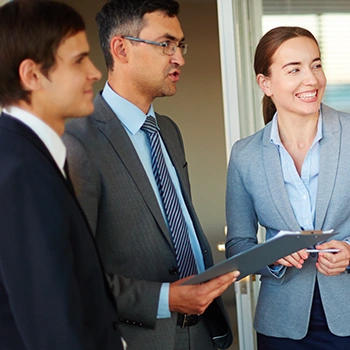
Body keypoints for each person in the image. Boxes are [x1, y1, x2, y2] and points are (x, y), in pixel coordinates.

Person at [62, 0, 239, 349]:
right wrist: (166, 299)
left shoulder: (168, 132)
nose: (180, 58)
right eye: (166, 44)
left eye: (180, 45)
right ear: (121, 48)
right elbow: (74, 273)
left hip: (204, 331)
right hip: (138, 337)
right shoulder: (76, 143)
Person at [0, 1, 126, 349]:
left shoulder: (29, 155)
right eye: (78, 60)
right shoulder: (20, 171)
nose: (95, 72)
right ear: (32, 75)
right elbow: (51, 324)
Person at [225, 26, 350, 350]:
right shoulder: (245, 154)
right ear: (265, 83)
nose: (311, 79)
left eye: (316, 65)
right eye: (294, 69)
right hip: (280, 326)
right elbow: (239, 244)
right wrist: (273, 255)